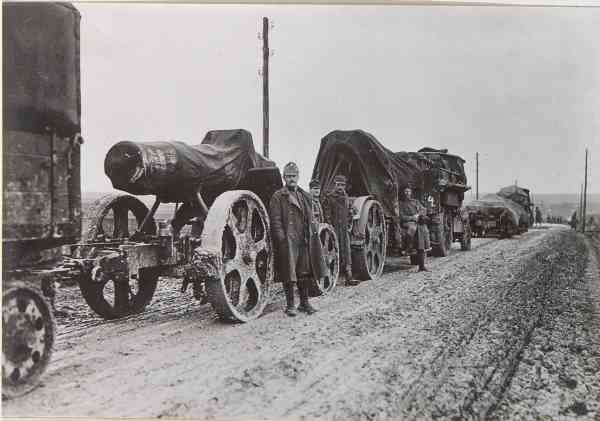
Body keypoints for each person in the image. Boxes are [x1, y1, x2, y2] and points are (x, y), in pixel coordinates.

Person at [269, 162, 327, 317]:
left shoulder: (303, 196)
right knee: (289, 273)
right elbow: (275, 220)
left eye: (293, 176)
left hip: (303, 239)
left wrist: (311, 235)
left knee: (304, 272)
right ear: (284, 177)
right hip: (288, 241)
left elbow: (310, 217)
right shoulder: (278, 196)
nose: (291, 179)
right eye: (288, 176)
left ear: (298, 176)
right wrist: (282, 239)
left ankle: (304, 303)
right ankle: (290, 305)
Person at [322, 174, 357, 286]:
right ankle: (330, 278)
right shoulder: (330, 198)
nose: (340, 187)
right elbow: (327, 216)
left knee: (346, 251)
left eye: (342, 185)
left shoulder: (346, 198)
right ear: (334, 185)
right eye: (338, 185)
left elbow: (350, 213)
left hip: (344, 229)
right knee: (333, 252)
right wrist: (331, 229)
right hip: (334, 229)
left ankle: (349, 276)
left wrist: (350, 220)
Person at [399, 186, 430, 271]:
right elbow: (402, 217)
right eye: (405, 192)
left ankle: (422, 265)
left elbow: (423, 209)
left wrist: (419, 215)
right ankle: (409, 247)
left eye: (408, 191)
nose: (407, 193)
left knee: (423, 238)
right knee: (411, 230)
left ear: (411, 192)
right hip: (409, 223)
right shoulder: (401, 204)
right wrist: (412, 217)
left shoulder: (416, 202)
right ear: (403, 193)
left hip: (418, 222)